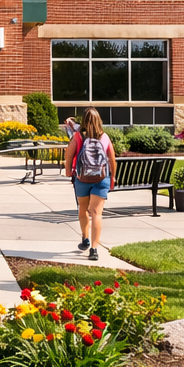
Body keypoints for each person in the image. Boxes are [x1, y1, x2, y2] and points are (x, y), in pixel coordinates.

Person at [63, 108, 116, 261]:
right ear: (99, 120)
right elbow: (112, 159)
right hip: (101, 179)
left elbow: (69, 155)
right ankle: (94, 249)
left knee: (83, 209)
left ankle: (85, 238)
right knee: (96, 213)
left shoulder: (78, 136)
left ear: (84, 121)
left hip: (82, 179)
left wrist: (68, 170)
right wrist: (113, 177)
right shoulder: (104, 137)